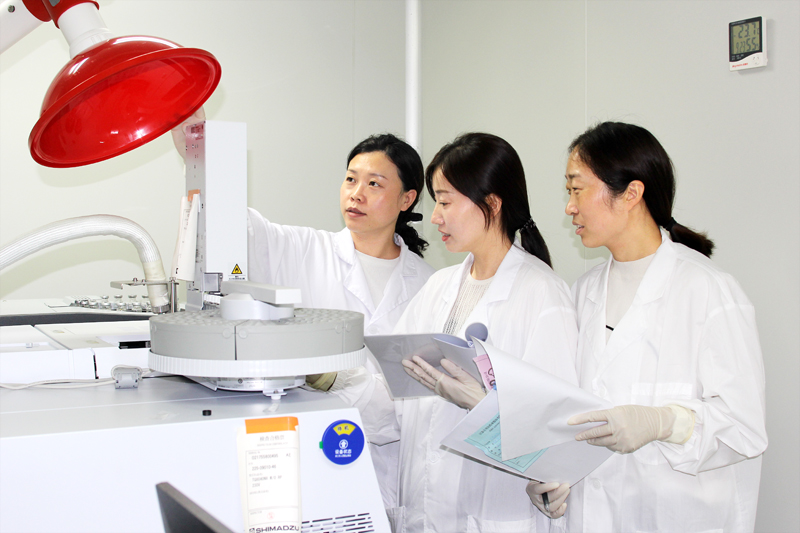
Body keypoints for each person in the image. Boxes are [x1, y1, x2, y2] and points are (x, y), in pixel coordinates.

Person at [171, 111, 437, 511]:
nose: (356, 193)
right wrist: (201, 153)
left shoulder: (429, 285)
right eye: (350, 179)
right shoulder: (304, 250)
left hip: (394, 477)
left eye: (374, 184)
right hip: (314, 458)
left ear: (407, 199)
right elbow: (239, 227)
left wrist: (335, 378)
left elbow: (418, 403)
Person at [336, 132, 579, 532]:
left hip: (494, 514)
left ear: (492, 204)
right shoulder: (439, 287)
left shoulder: (542, 294)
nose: (435, 217)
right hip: (425, 512)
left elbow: (554, 429)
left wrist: (483, 408)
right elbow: (394, 395)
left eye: (445, 202)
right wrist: (331, 383)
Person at [536, 121, 767, 531]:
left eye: (577, 189)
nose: (569, 207)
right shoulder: (583, 293)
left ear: (631, 193)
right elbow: (567, 410)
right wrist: (551, 473)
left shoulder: (708, 290)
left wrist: (665, 423)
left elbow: (744, 429)